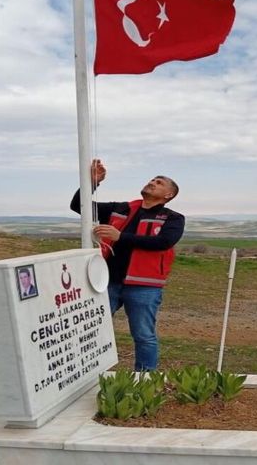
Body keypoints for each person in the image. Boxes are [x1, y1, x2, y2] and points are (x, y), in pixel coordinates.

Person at [70, 159, 185, 371]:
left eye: (159, 182)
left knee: (143, 335)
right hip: (108, 281)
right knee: (92, 329)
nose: (152, 182)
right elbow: (79, 206)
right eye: (152, 179)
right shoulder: (121, 208)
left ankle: (144, 380)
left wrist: (120, 236)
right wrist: (92, 183)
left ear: (168, 195)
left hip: (144, 286)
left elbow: (163, 243)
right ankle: (89, 374)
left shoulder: (173, 218)